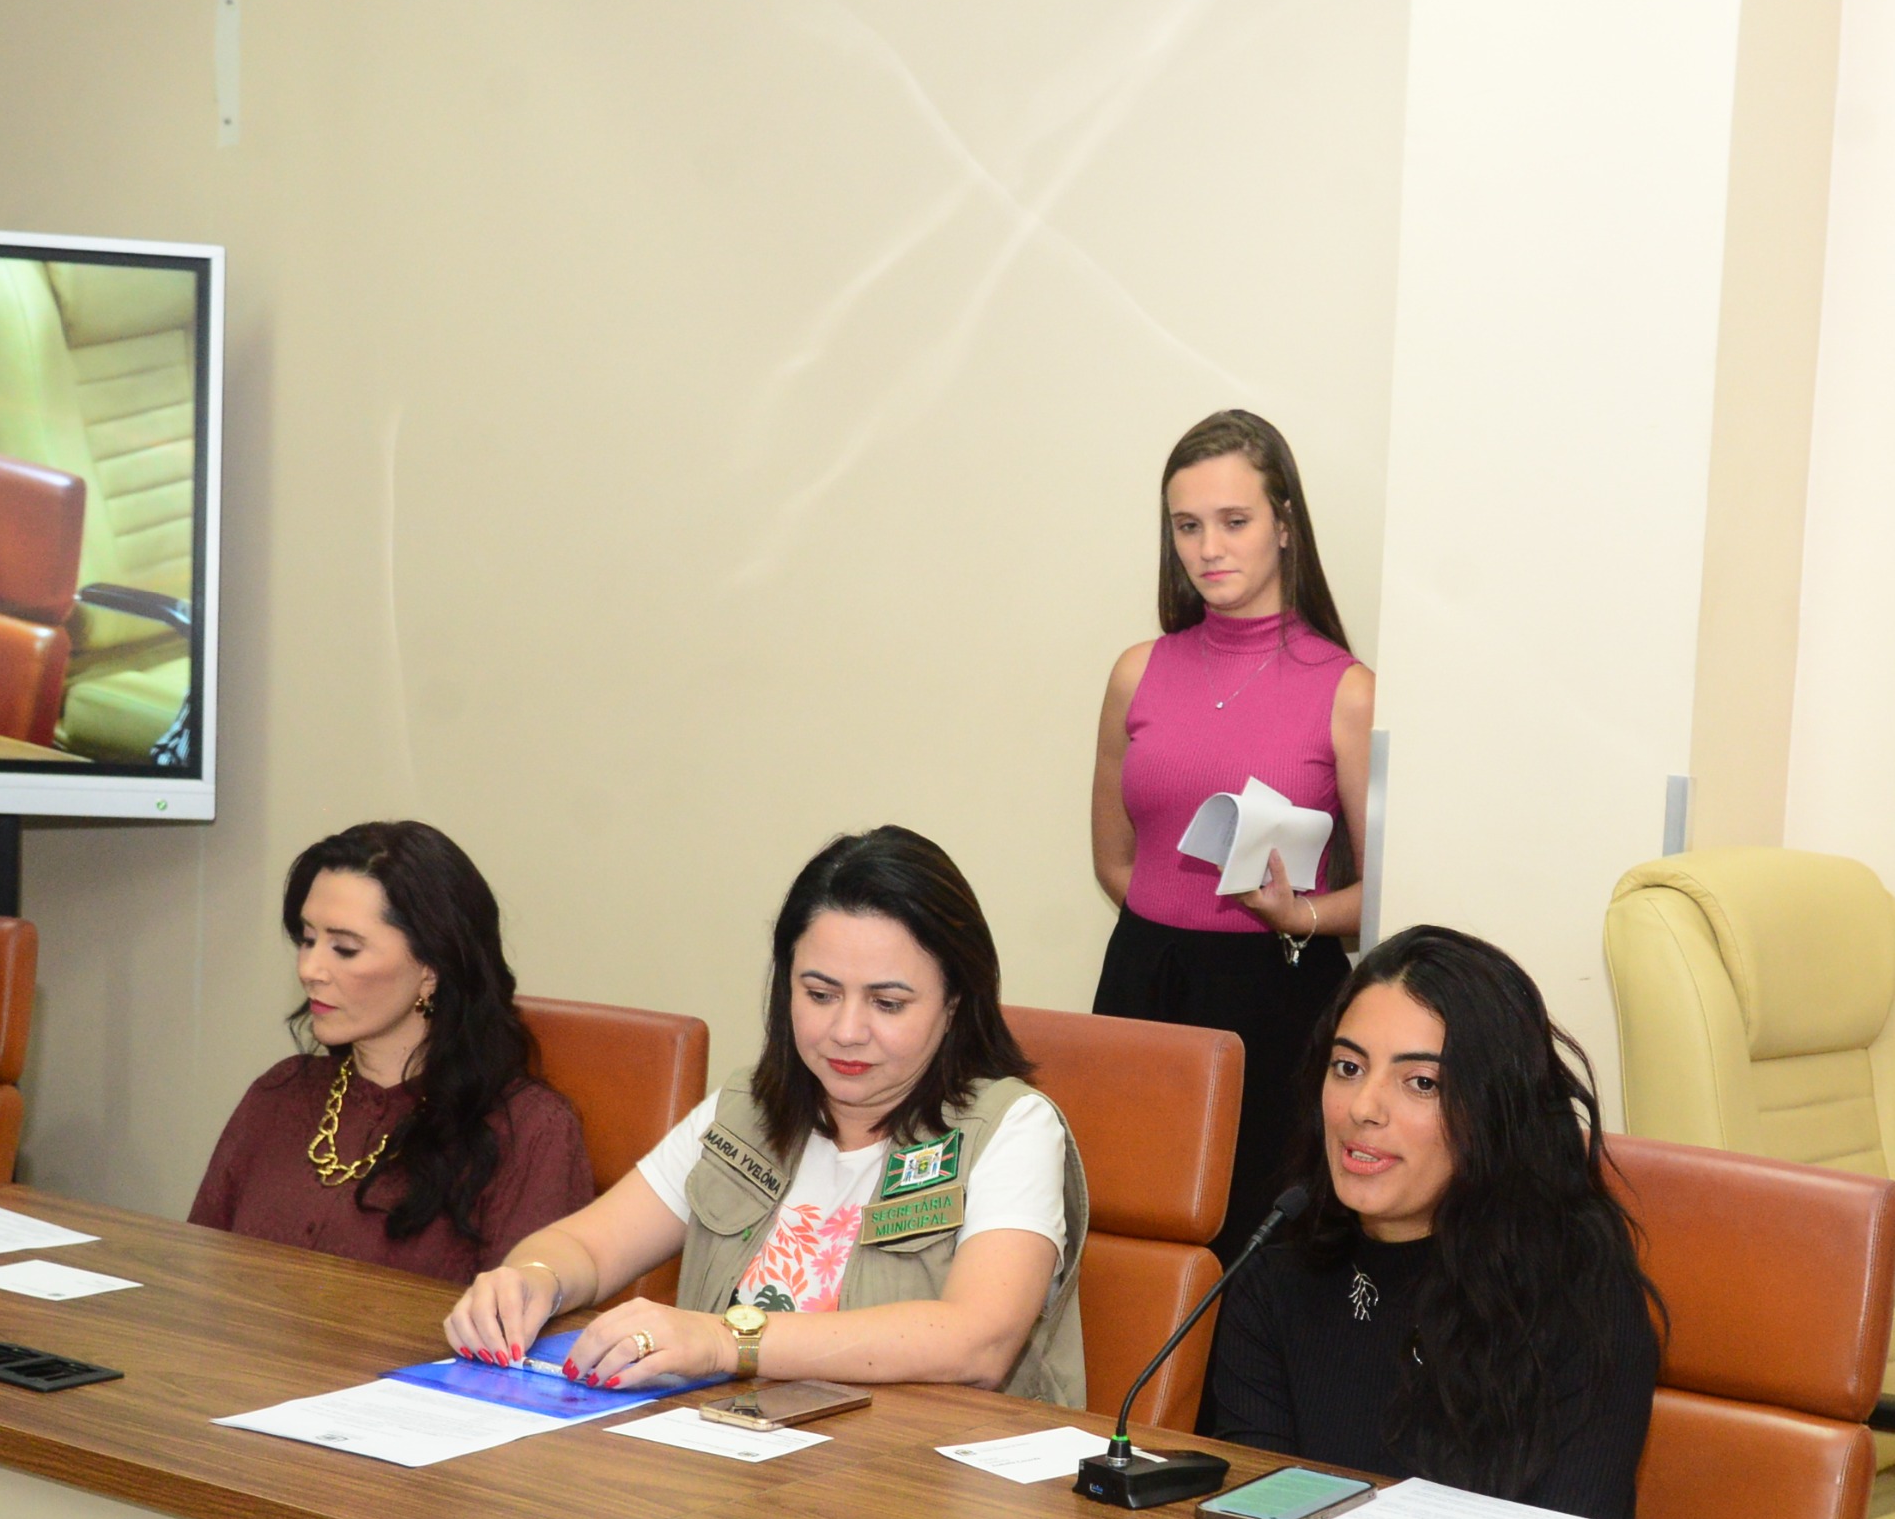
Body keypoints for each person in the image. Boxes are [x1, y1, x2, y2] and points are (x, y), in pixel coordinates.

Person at [440, 827, 1087, 1405]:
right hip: (732, 1462)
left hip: (913, 1482)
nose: (846, 1030)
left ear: (955, 1003)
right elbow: (585, 1246)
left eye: (888, 1003)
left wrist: (725, 1340)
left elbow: (977, 1341)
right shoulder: (745, 1111)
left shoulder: (1012, 1127)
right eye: (820, 993)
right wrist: (530, 1281)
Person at [1199, 927, 1660, 1519]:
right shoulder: (1273, 1278)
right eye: (1347, 1067)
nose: (1363, 1108)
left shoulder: (1578, 1300)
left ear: (1494, 1110)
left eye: (1421, 1083)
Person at [1087, 409, 1374, 1255]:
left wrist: (1301, 916)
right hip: (1143, 982)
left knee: (1261, 1245)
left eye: (1234, 521)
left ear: (1284, 526)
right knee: (1122, 1228)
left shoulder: (1348, 690)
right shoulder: (1137, 671)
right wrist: (1168, 933)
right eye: (1187, 526)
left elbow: (1386, 894)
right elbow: (1114, 859)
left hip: (1278, 993)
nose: (1208, 548)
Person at [189, 822, 595, 1280]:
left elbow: (521, 1316)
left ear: (431, 968)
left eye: (344, 948)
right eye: (307, 939)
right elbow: (197, 1273)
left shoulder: (529, 1131)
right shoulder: (280, 1093)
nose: (309, 969)